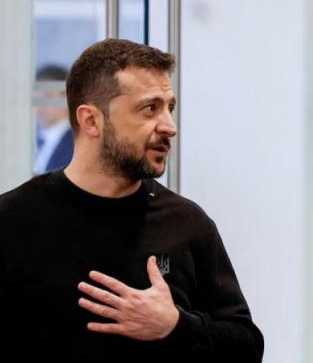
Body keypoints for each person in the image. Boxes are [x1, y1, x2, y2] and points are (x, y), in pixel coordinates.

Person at [0, 39, 263, 361]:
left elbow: (246, 346)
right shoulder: (13, 221)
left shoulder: (186, 223)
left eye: (170, 108)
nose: (169, 126)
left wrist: (176, 325)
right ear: (91, 120)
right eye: (149, 108)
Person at [33, 64, 74, 174]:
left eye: (47, 96)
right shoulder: (25, 141)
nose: (40, 104)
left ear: (66, 98)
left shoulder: (77, 146)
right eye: (36, 96)